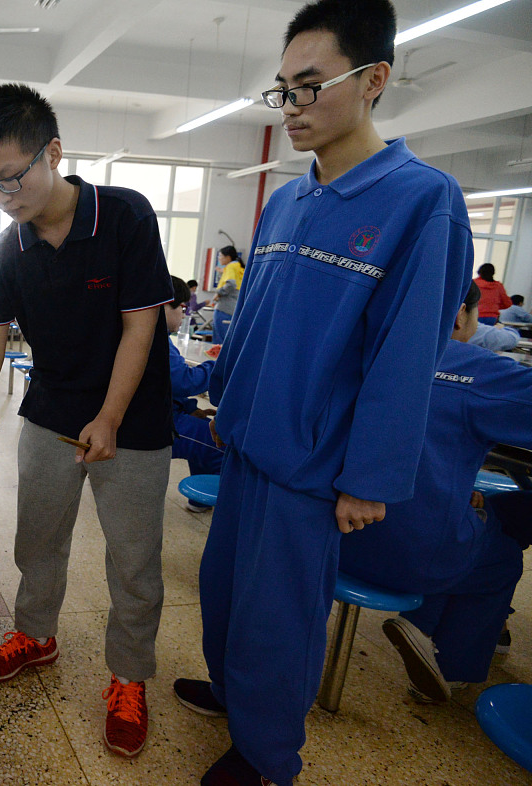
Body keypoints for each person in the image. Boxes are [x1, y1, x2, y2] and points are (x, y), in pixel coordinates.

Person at [172, 2, 473, 784]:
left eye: (310, 87)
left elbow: (409, 354)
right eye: (284, 91)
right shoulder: (287, 200)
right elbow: (253, 325)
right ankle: (236, 695)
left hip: (313, 465)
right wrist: (219, 398)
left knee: (280, 618)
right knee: (226, 591)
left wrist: (370, 479)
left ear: (374, 79)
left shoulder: (420, 200)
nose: (293, 108)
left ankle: (268, 756)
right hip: (247, 443)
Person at [0, 83, 173, 760]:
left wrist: (111, 416)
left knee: (133, 560)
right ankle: (36, 633)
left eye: (12, 176)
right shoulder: (8, 252)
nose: (5, 196)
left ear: (52, 152)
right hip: (51, 415)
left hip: (135, 421)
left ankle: (128, 677)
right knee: (39, 541)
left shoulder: (124, 216)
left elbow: (140, 326)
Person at [339, 282, 532, 704]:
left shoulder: (354, 346)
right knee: (500, 555)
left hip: (326, 539)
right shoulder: (475, 368)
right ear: (461, 314)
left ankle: (423, 619)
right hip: (405, 552)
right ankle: (451, 664)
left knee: (466, 518)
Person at [164, 277, 224, 497]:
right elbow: (185, 381)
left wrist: (189, 408)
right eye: (181, 307)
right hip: (156, 423)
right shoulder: (155, 338)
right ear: (163, 304)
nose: (184, 314)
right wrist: (221, 365)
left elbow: (165, 386)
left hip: (162, 412)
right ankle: (206, 501)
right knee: (218, 443)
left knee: (206, 427)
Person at [208, 245, 242, 344]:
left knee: (219, 341)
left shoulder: (230, 266)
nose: (219, 259)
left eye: (220, 256)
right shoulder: (239, 266)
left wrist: (218, 293)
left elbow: (231, 284)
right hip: (233, 307)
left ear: (228, 257)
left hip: (224, 308)